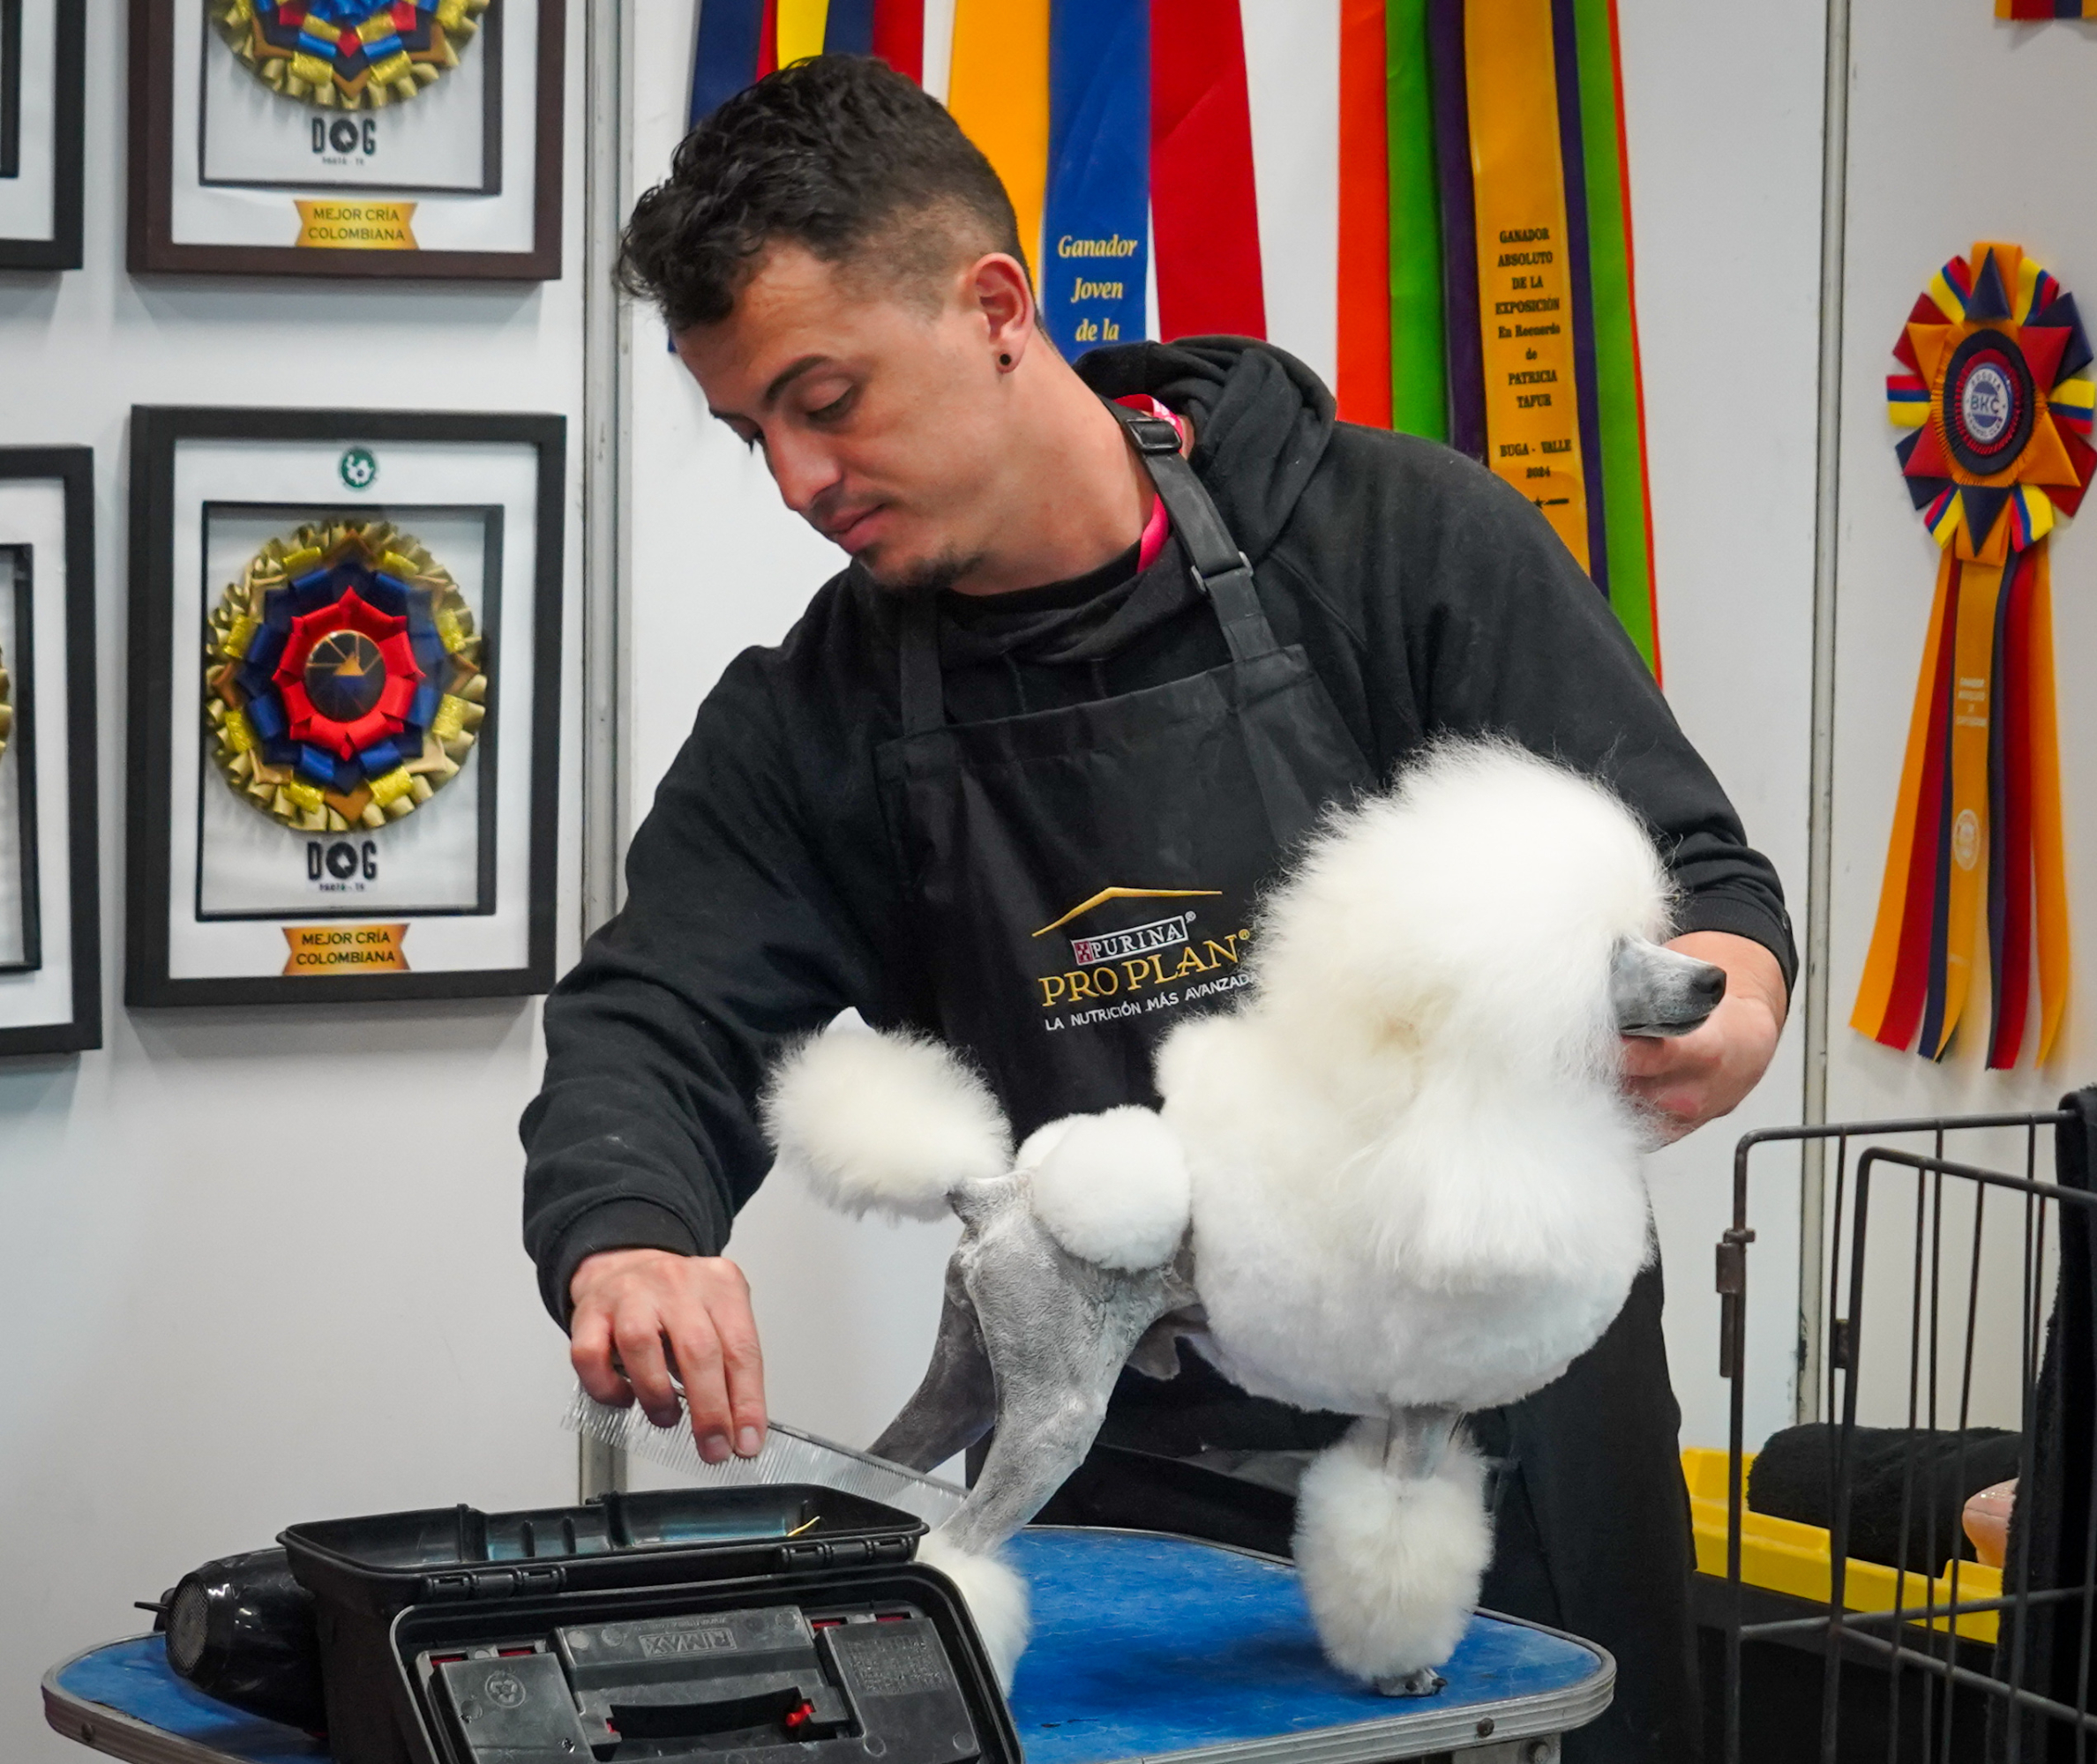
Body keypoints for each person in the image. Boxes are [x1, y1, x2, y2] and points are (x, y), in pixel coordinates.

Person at [523, 54, 1791, 1763]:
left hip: (1499, 1451)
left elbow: (1698, 881)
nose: (797, 478)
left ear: (991, 305)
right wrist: (633, 1225)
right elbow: (655, 1013)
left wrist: (1729, 987)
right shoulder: (817, 715)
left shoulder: (1399, 545)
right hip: (1119, 1465)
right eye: (755, 430)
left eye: (826, 397)